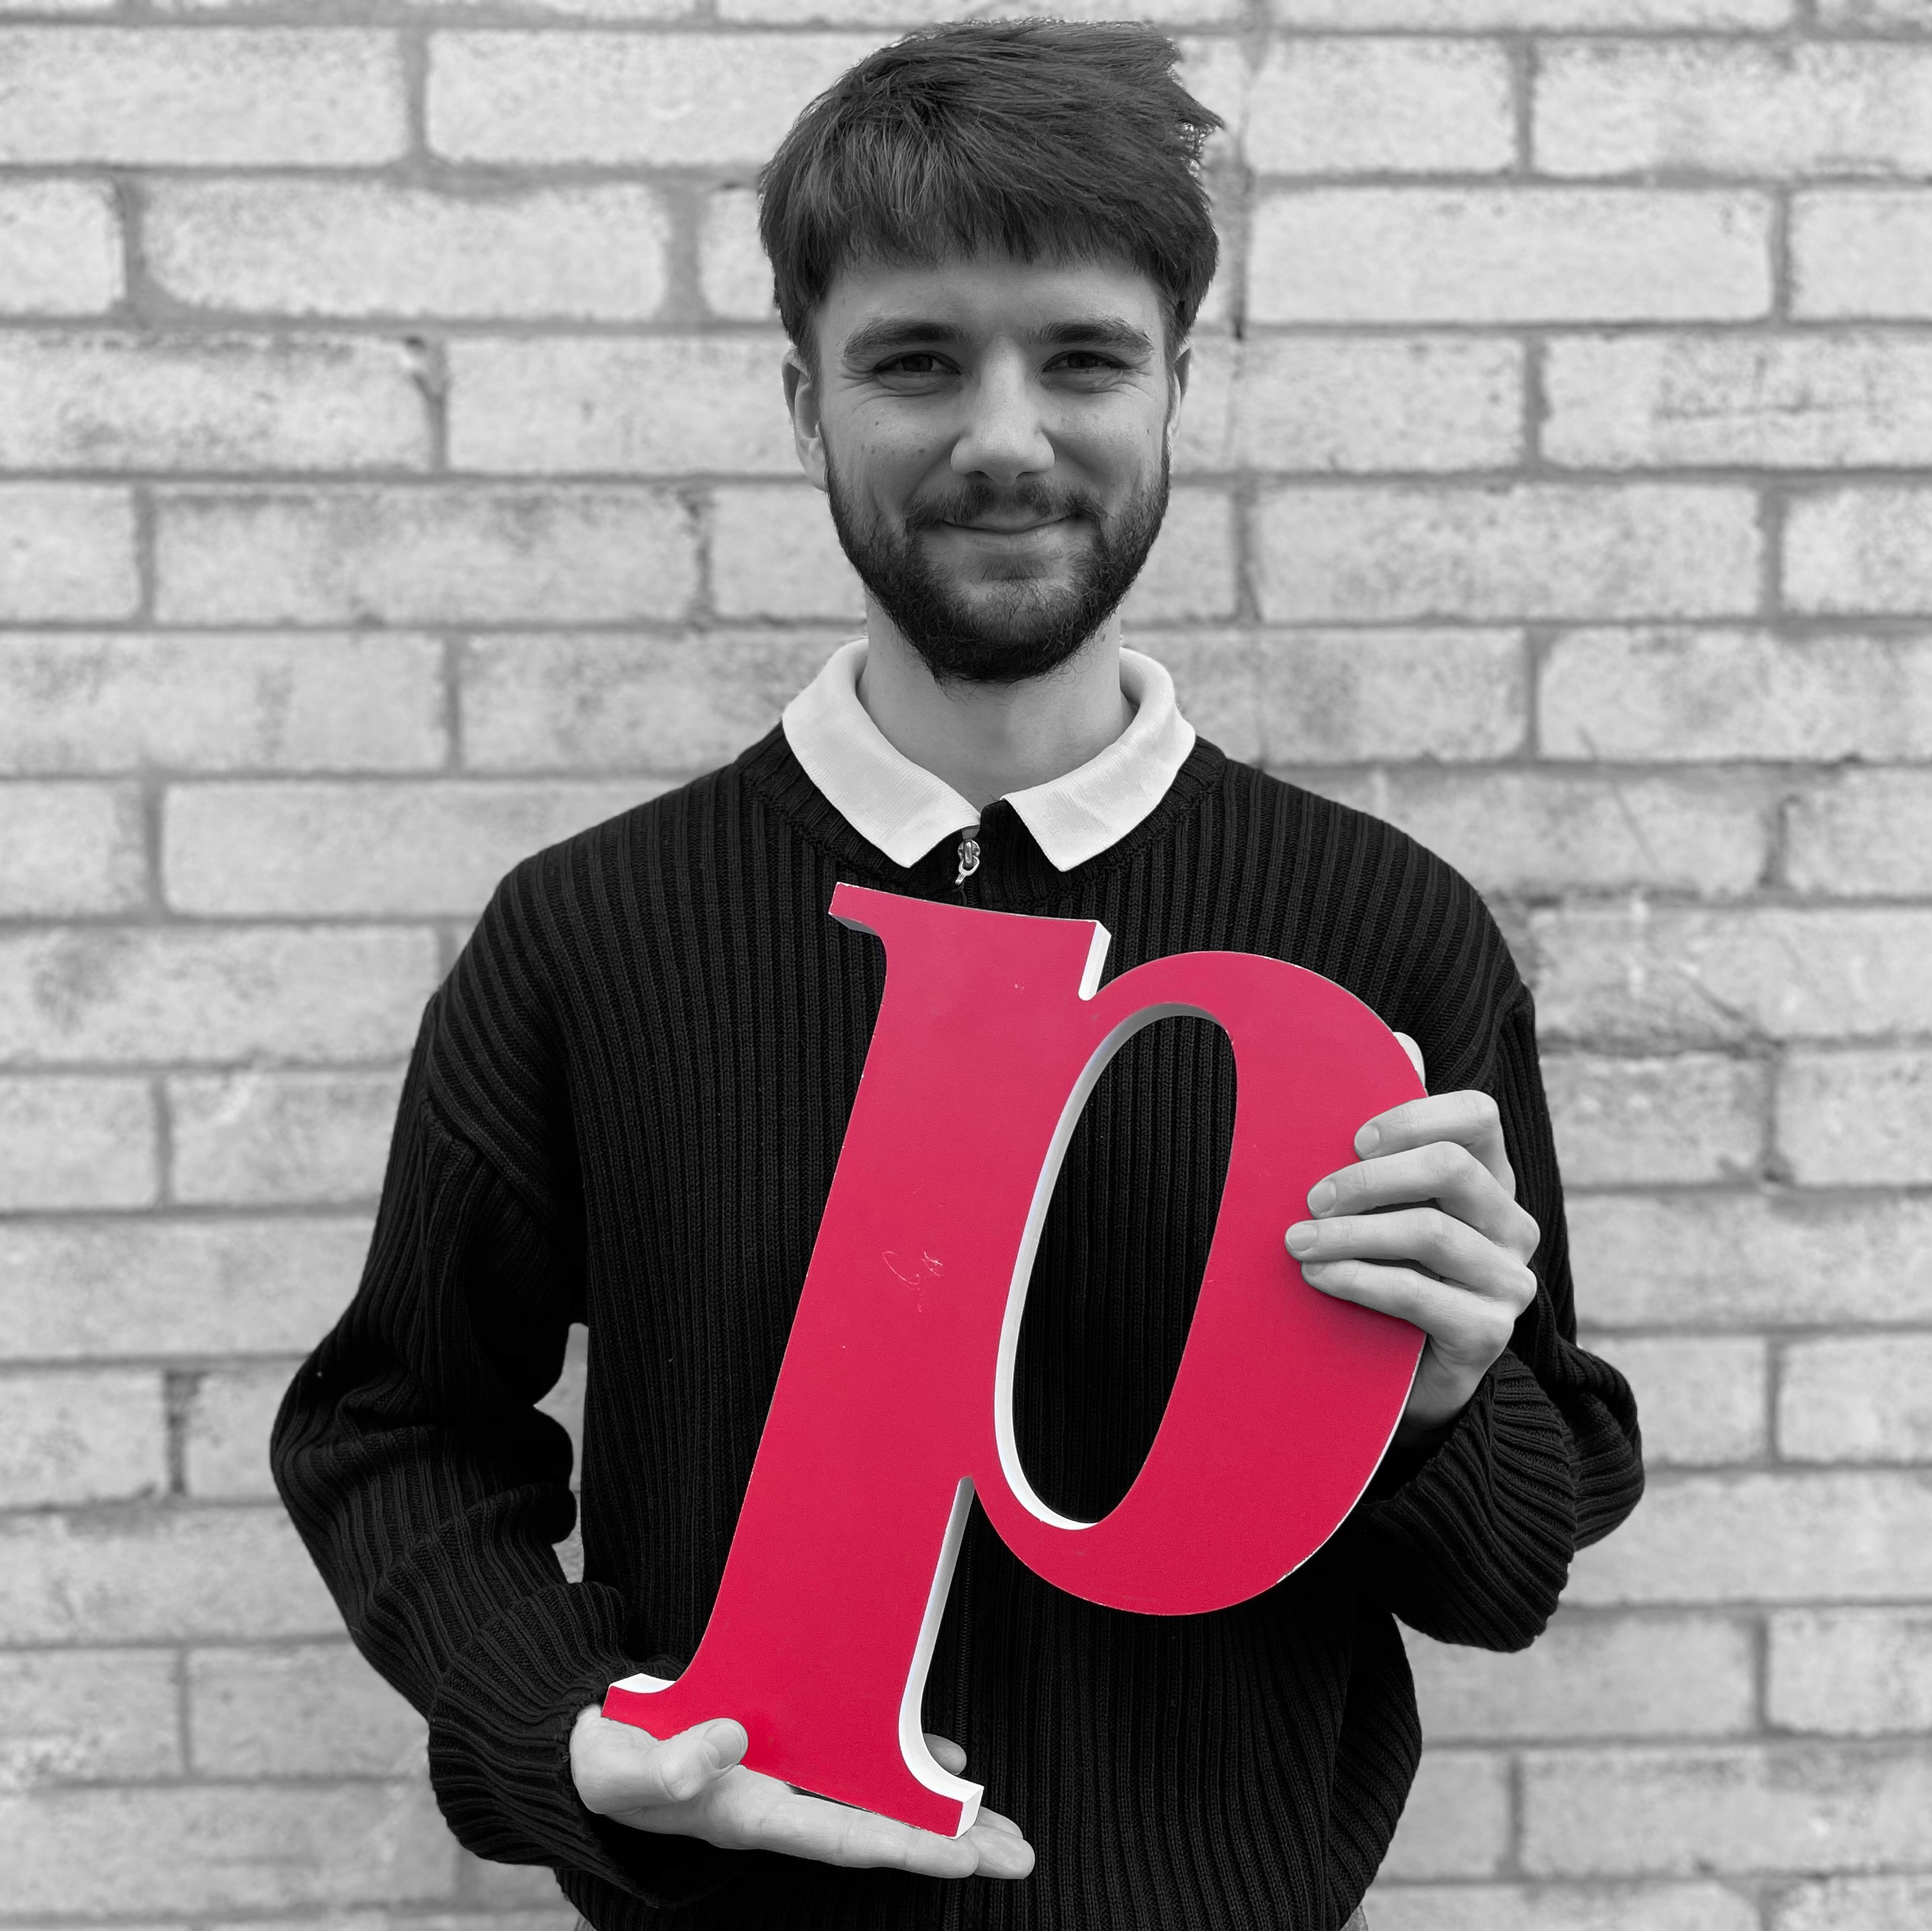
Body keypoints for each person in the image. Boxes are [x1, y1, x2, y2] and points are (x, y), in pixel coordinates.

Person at [272, 20, 1643, 1930]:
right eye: (915, 360)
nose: (1005, 438)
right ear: (803, 401)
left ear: (1177, 387)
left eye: (1081, 357)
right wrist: (565, 1724)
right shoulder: (588, 933)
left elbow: (1508, 1572)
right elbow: (397, 1425)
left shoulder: (1380, 929)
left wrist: (1439, 1403)